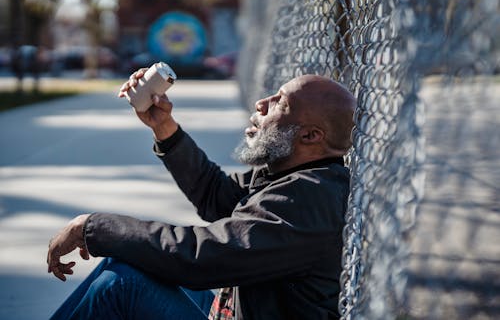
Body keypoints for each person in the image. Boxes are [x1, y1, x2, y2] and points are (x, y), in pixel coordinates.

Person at [46, 72, 356, 320]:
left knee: (122, 285)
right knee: (124, 260)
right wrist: (163, 127)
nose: (261, 103)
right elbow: (215, 194)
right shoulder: (292, 177)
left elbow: (202, 258)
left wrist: (92, 227)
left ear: (311, 135)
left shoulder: (309, 197)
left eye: (279, 103)